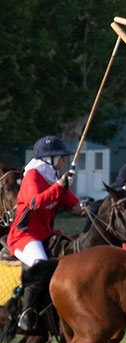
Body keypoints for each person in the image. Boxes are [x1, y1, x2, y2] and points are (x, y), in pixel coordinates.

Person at [8, 135, 84, 331]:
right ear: (48, 159)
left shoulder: (54, 178)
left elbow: (76, 207)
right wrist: (59, 186)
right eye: (60, 157)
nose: (63, 160)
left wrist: (93, 206)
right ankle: (27, 311)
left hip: (47, 234)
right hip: (25, 235)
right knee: (40, 264)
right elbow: (36, 202)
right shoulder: (32, 175)